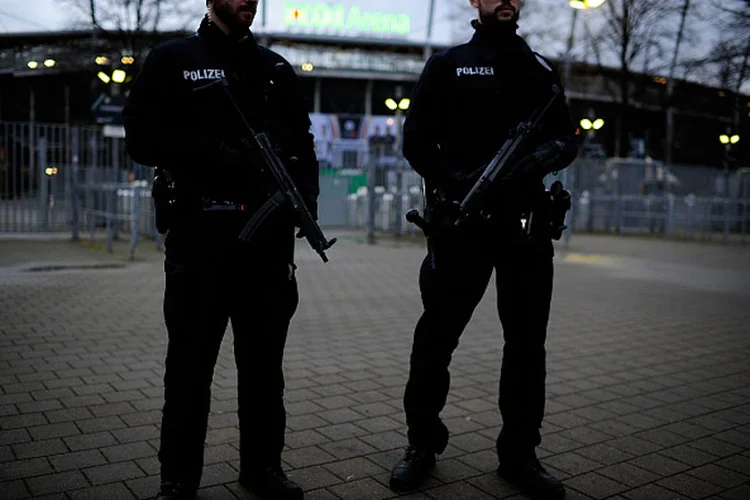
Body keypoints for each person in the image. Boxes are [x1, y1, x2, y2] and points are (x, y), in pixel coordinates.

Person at [122, 0, 318, 499]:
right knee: (188, 368)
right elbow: (141, 138)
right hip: (199, 238)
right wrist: (213, 153)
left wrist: (303, 206)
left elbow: (304, 147)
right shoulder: (173, 59)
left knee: (263, 370)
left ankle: (263, 470)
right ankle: (179, 478)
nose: (247, 1)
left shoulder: (275, 68)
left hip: (267, 245)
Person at [389, 1, 578, 499]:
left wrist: (538, 157)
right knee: (436, 339)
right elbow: (416, 142)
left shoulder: (539, 69)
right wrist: (456, 182)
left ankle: (519, 454)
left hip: (527, 229)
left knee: (526, 345)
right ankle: (422, 445)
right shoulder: (447, 65)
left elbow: (566, 138)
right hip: (461, 223)